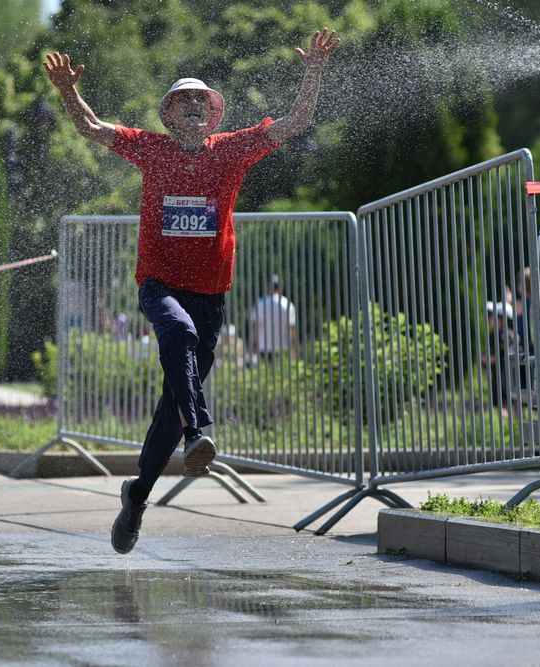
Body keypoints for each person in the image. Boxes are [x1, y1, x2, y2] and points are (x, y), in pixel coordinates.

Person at [44, 28, 340, 554]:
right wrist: (67, 88)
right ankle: (198, 432)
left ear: (214, 115)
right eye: (183, 101)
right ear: (167, 115)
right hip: (159, 284)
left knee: (170, 405)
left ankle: (136, 496)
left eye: (201, 101)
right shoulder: (149, 149)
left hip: (212, 294)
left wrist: (313, 67)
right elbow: (89, 126)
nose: (193, 108)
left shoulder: (231, 152)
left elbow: (296, 123)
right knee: (176, 336)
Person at [248, 274, 297, 359]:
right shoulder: (287, 304)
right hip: (282, 348)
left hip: (263, 347)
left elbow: (253, 327)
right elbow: (291, 329)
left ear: (268, 287)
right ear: (280, 287)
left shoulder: (260, 304)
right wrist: (293, 349)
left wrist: (253, 345)